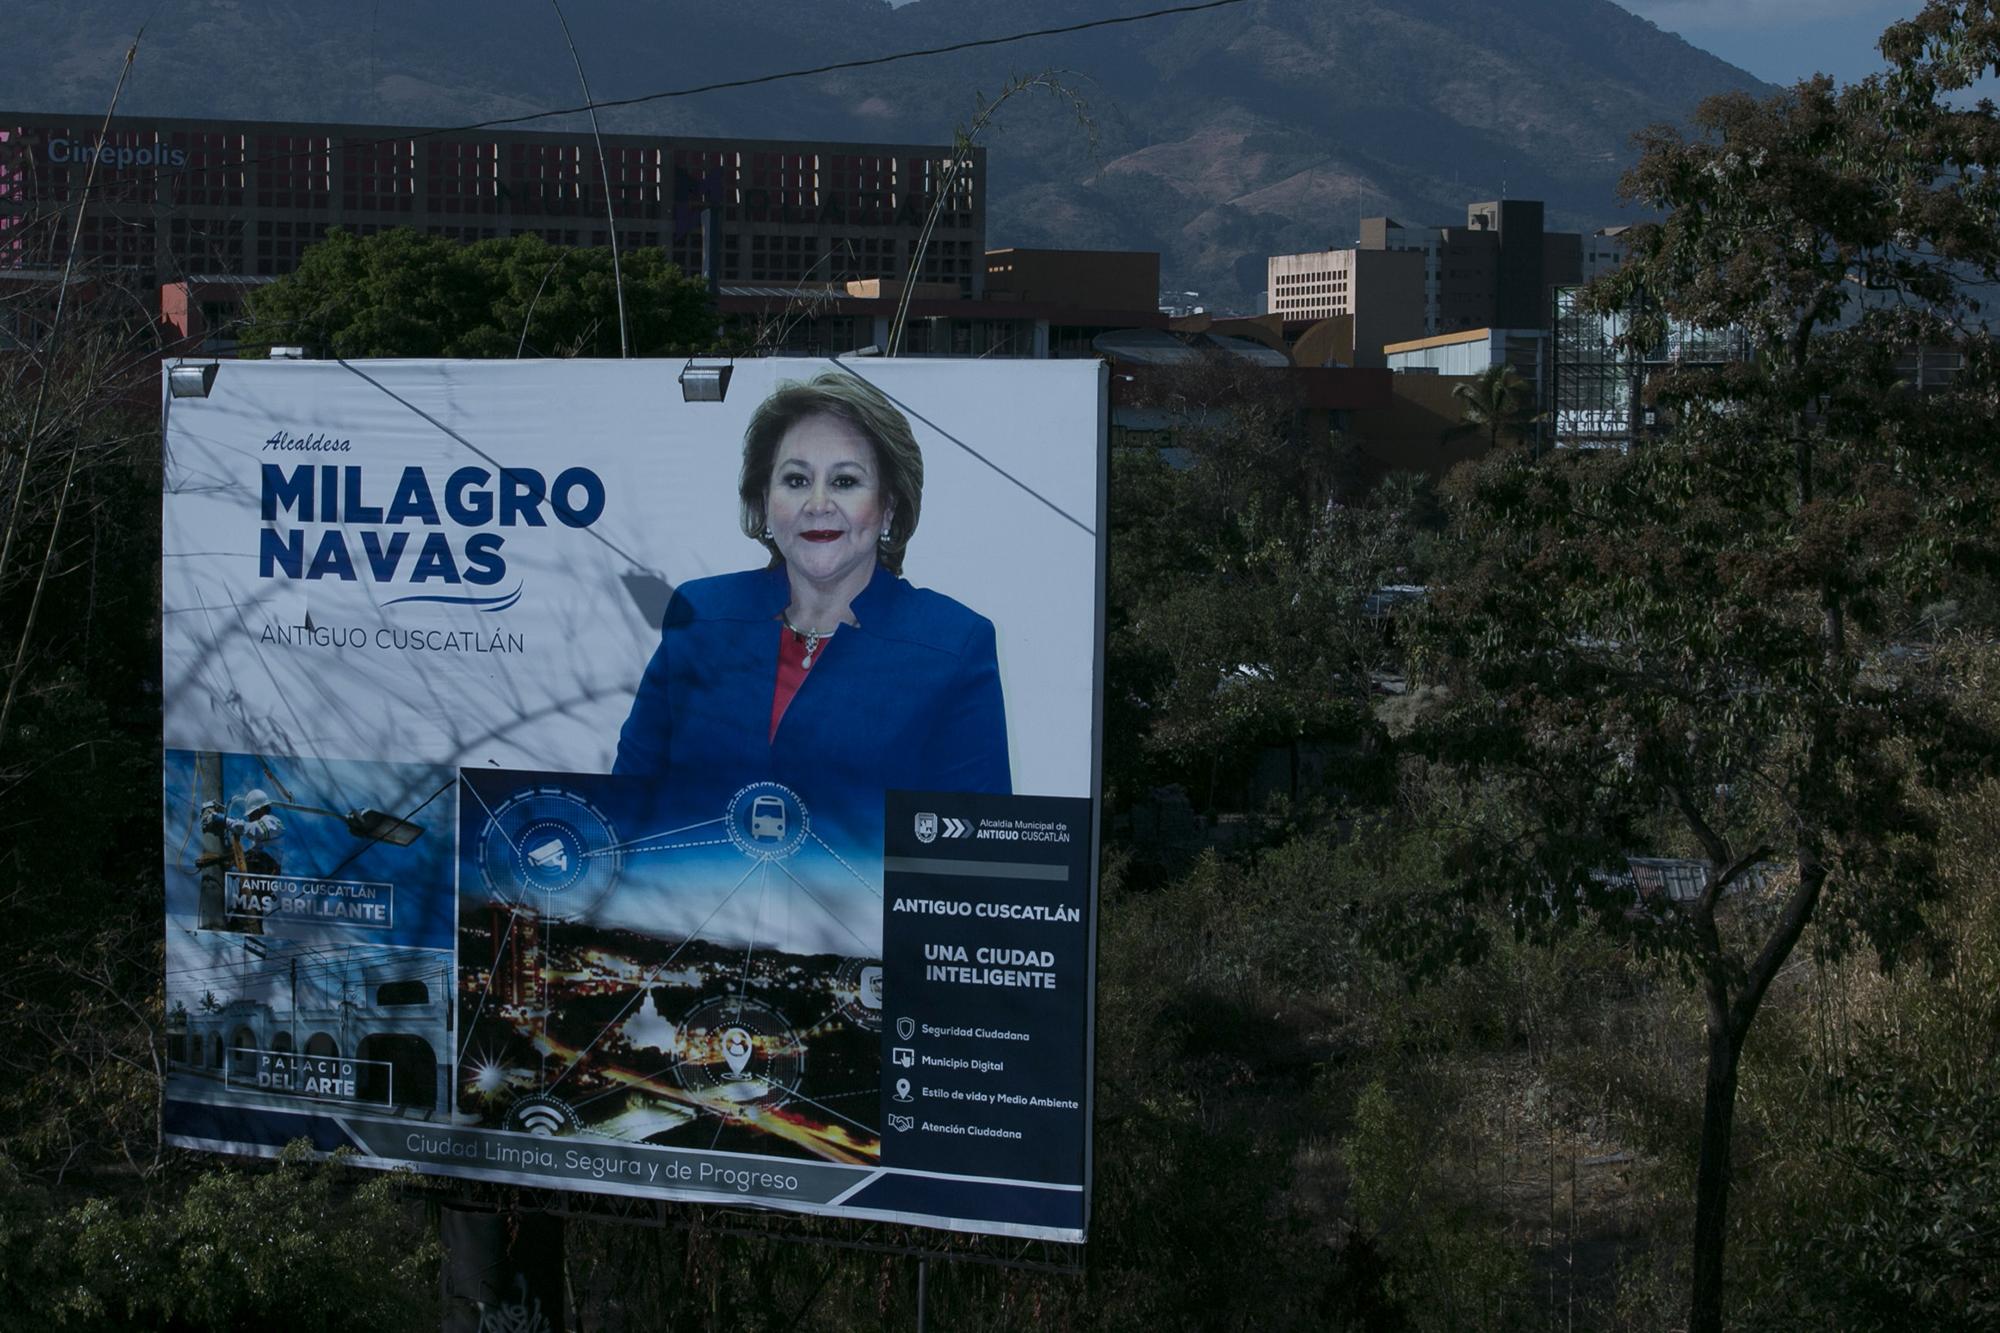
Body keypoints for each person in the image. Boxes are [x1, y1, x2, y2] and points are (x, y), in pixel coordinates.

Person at [613, 372, 1011, 822]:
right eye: (797, 480)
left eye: (844, 481)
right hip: (687, 891)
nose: (818, 503)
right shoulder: (700, 618)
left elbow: (979, 856)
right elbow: (625, 807)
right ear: (764, 502)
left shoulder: (954, 646)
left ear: (888, 508)